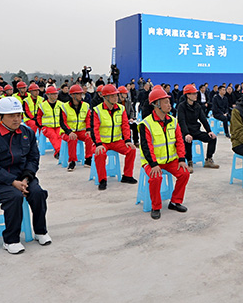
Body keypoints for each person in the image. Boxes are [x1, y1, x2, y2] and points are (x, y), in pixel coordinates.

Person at [0, 97, 51, 254]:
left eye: (19, 115)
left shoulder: (27, 133)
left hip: (23, 177)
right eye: (11, 116)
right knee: (14, 197)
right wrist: (12, 182)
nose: (16, 119)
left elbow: (33, 158)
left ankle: (40, 231)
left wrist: (25, 178)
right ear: (0, 117)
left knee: (38, 193)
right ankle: (10, 240)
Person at [138, 85, 190, 220]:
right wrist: (153, 164)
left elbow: (179, 142)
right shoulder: (146, 124)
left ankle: (175, 202)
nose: (169, 104)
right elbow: (146, 147)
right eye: (166, 102)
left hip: (170, 161)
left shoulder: (173, 121)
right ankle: (155, 206)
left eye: (169, 101)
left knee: (184, 173)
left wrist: (181, 159)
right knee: (156, 177)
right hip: (152, 162)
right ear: (156, 104)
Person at [89, 84, 139, 190]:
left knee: (131, 149)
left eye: (116, 95)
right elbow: (94, 129)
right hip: (102, 142)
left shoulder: (121, 108)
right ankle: (102, 180)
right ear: (105, 97)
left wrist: (127, 140)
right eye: (112, 96)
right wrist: (98, 144)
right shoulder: (97, 110)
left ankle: (127, 176)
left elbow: (125, 126)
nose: (116, 98)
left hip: (116, 142)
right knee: (100, 153)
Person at [176, 84, 219, 171]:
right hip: (185, 132)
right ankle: (189, 161)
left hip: (196, 131)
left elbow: (203, 120)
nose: (196, 95)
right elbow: (182, 122)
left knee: (213, 138)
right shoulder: (181, 106)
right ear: (188, 95)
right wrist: (186, 133)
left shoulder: (197, 106)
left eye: (196, 93)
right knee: (188, 140)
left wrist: (209, 131)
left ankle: (208, 159)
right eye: (193, 94)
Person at [59, 84, 95, 171]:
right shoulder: (64, 107)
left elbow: (88, 119)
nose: (81, 96)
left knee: (89, 137)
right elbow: (62, 122)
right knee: (72, 138)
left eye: (81, 94)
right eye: (78, 94)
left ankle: (88, 159)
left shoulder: (86, 105)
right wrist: (69, 132)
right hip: (67, 132)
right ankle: (72, 161)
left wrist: (88, 130)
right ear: (73, 95)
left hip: (81, 131)